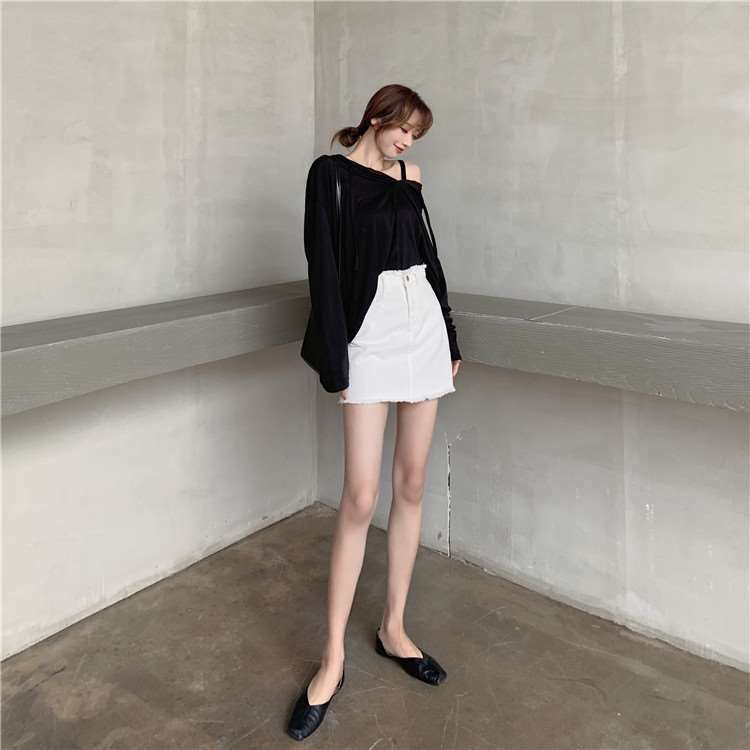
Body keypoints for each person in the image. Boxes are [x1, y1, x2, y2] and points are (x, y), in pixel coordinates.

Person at [288, 84, 462, 741]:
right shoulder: (330, 176)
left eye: (416, 135)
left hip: (423, 332)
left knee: (411, 484)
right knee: (360, 496)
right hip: (369, 336)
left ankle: (394, 628)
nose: (407, 142)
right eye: (402, 128)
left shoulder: (410, 178)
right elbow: (324, 270)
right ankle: (332, 658)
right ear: (377, 118)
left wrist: (451, 336)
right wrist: (337, 362)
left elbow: (430, 258)